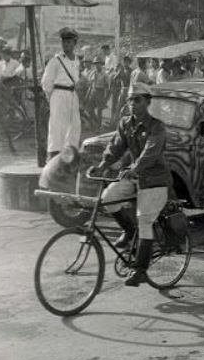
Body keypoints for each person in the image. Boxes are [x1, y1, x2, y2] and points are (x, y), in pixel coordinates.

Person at [89, 82, 170, 287]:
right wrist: (101, 165)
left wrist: (134, 168)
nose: (133, 104)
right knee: (108, 198)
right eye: (130, 100)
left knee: (144, 220)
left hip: (155, 181)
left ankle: (141, 270)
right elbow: (115, 147)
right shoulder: (126, 123)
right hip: (134, 178)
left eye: (138, 100)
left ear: (148, 102)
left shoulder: (156, 126)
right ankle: (129, 231)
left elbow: (150, 153)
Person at [40, 28, 82, 158]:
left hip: (72, 94)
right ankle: (53, 157)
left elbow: (76, 79)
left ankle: (70, 156)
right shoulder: (55, 61)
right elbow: (46, 82)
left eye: (69, 42)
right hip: (58, 94)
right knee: (57, 126)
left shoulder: (77, 61)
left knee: (74, 126)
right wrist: (51, 97)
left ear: (74, 43)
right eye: (64, 42)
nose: (66, 45)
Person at [86, 56, 108, 130]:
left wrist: (105, 97)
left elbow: (107, 86)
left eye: (99, 64)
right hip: (93, 91)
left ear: (101, 64)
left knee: (99, 110)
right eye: (96, 64)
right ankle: (94, 123)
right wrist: (87, 95)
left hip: (100, 92)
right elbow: (90, 84)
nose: (97, 65)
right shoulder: (92, 73)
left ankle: (98, 127)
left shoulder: (104, 74)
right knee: (90, 109)